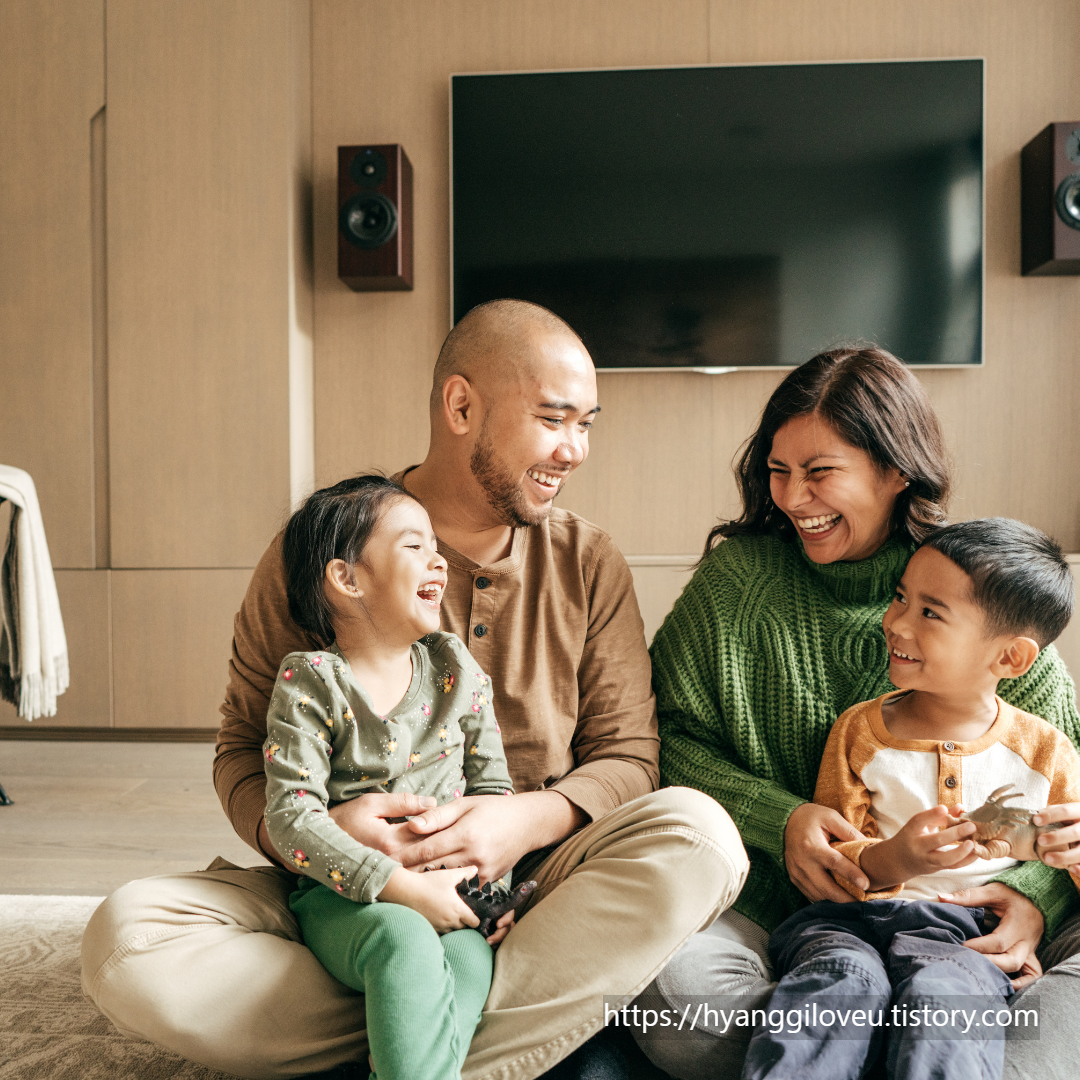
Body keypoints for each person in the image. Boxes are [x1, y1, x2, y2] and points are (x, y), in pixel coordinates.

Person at [81, 299, 748, 1080]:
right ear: (461, 407)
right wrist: (325, 834)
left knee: (700, 835)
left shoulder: (589, 562)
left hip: (526, 895)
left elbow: (630, 760)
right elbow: (241, 752)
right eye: (553, 419)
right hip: (341, 892)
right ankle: (473, 1024)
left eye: (586, 424)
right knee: (129, 939)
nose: (575, 450)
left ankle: (404, 1033)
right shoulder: (324, 549)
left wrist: (515, 823)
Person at [631, 347, 1080, 1080]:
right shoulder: (736, 584)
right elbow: (662, 740)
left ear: (897, 471)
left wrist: (1027, 899)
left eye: (819, 472)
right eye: (778, 471)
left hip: (966, 931)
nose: (791, 497)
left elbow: (1065, 799)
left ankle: (860, 1043)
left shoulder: (978, 587)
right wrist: (780, 819)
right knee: (677, 1002)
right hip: (791, 916)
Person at [741, 518, 1080, 1080]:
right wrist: (895, 858)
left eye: (930, 613)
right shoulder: (860, 731)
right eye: (901, 597)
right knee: (834, 986)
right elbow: (835, 857)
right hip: (847, 925)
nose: (896, 622)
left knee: (945, 1001)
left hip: (965, 938)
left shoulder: (1047, 752)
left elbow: (1068, 867)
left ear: (1011, 659)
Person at [265, 474, 522, 1080]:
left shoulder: (457, 668)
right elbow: (290, 818)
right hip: (344, 899)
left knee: (469, 963)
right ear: (347, 578)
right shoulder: (311, 681)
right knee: (403, 940)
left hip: (453, 892)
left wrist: (488, 889)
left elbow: (494, 794)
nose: (439, 560)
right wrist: (399, 888)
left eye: (436, 546)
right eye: (414, 546)